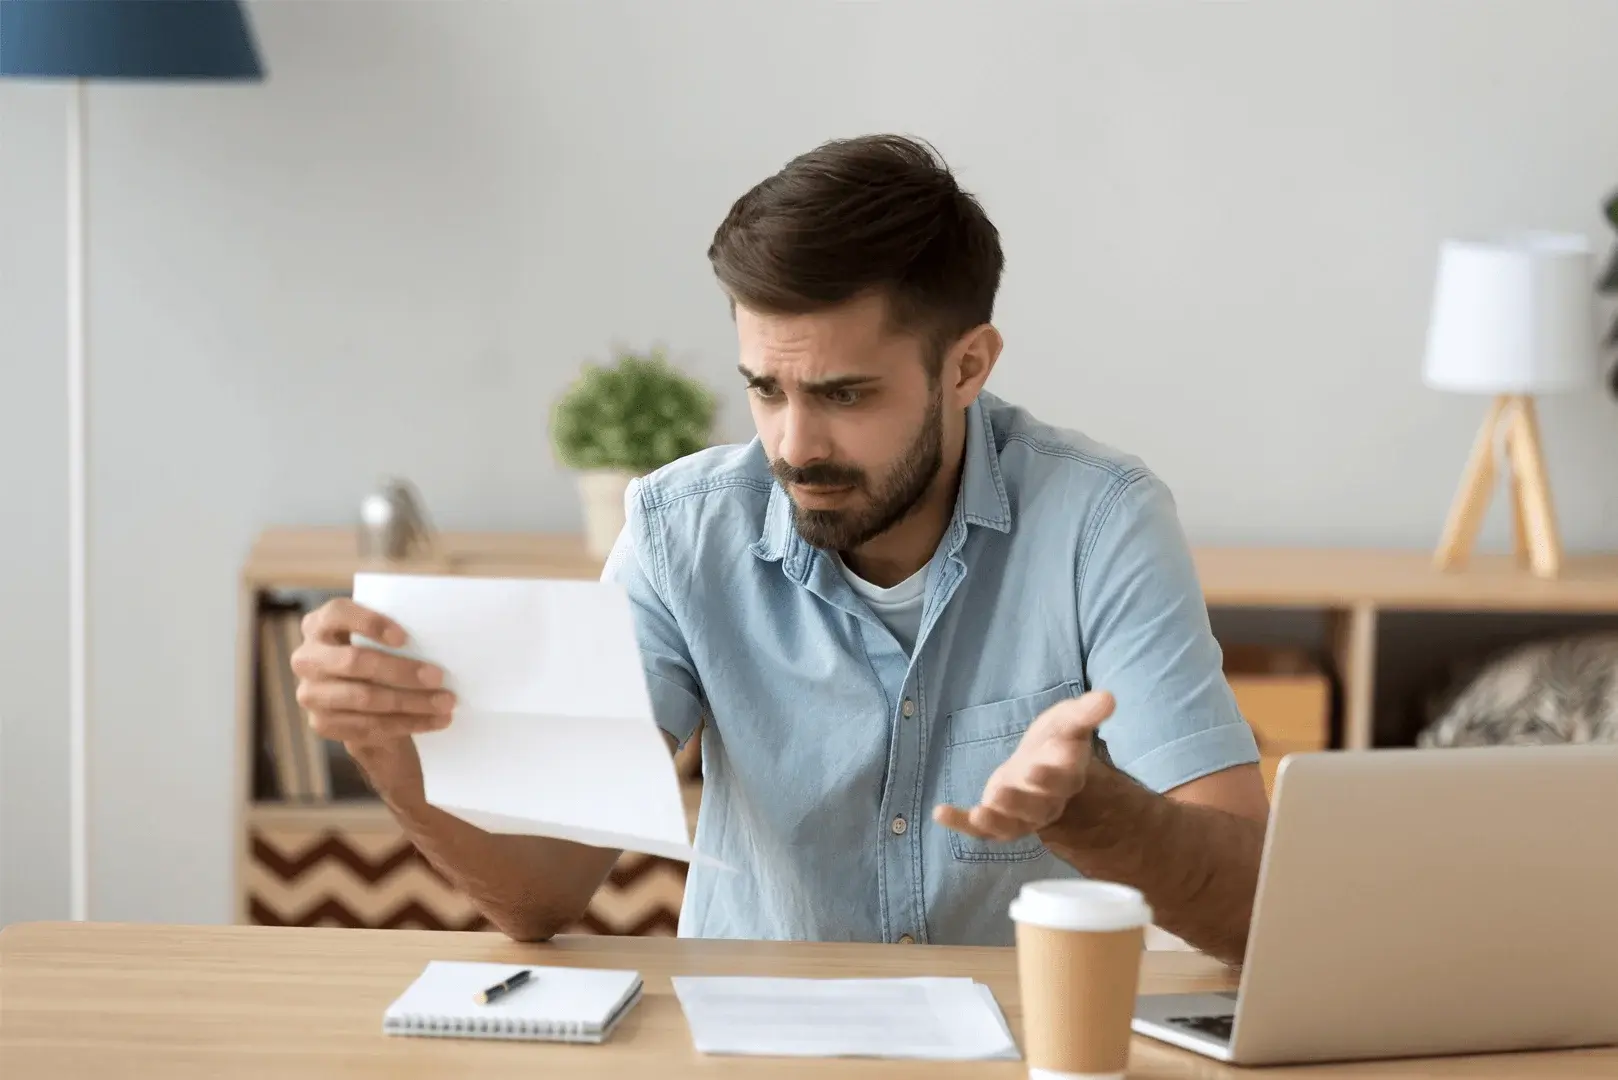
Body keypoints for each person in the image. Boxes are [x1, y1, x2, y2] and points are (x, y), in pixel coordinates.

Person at [291, 134, 1271, 966]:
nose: (794, 446)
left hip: (1017, 1051)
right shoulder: (681, 533)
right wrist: (387, 753)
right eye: (765, 389)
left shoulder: (1100, 523)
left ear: (966, 366)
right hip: (750, 1051)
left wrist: (1096, 811)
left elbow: (1247, 907)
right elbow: (544, 895)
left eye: (844, 395)